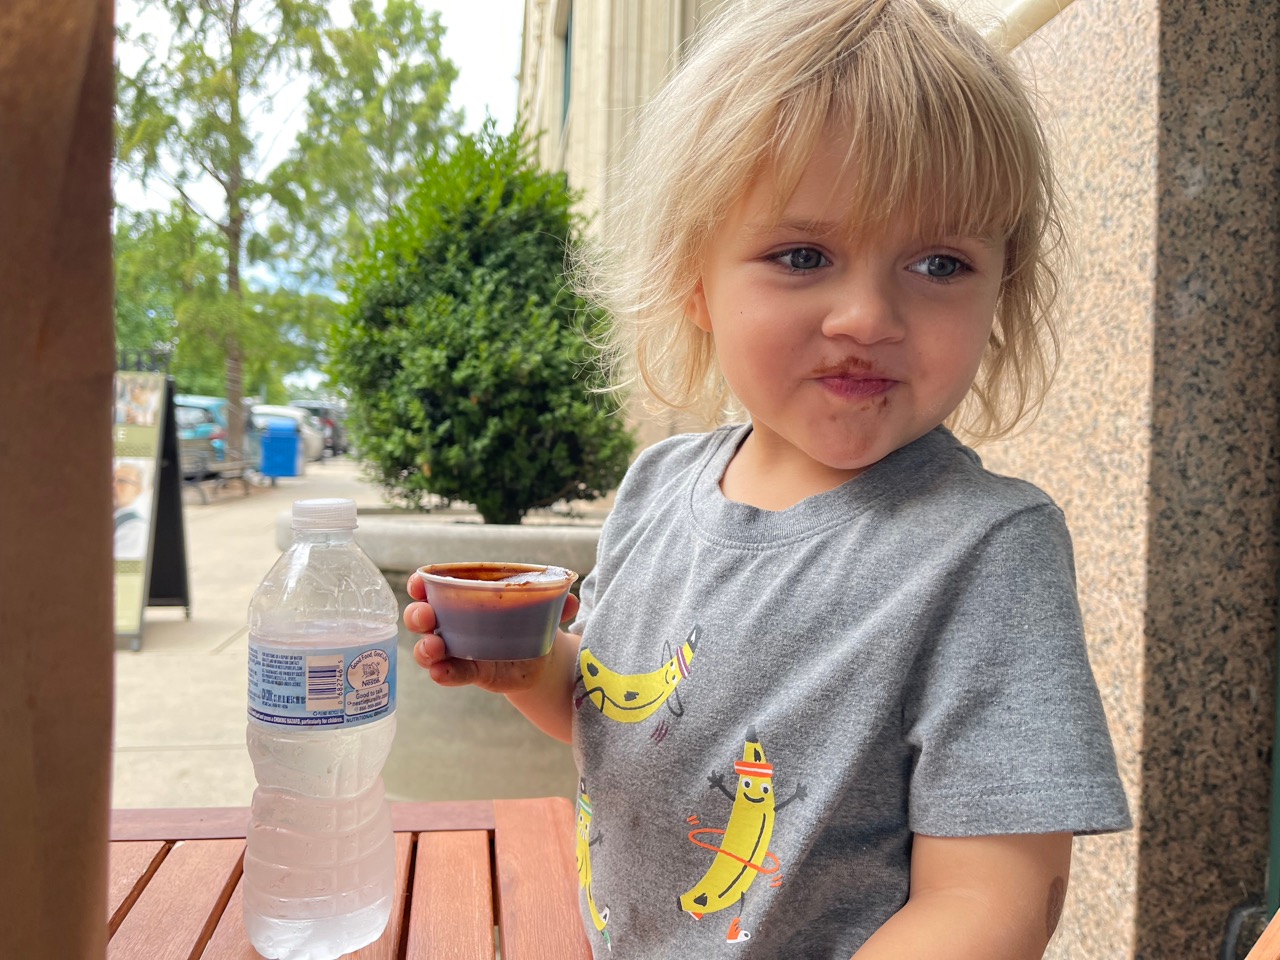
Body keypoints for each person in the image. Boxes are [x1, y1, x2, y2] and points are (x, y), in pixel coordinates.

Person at [405, 1, 1130, 956]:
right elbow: (628, 715)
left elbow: (991, 902)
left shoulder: (986, 551)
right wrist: (534, 671)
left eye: (938, 261)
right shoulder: (658, 488)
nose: (867, 315)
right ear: (694, 279)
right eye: (802, 255)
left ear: (1002, 289)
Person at [113, 461, 150, 560]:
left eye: (121, 481)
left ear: (137, 490)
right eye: (111, 479)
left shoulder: (135, 529)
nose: (113, 485)